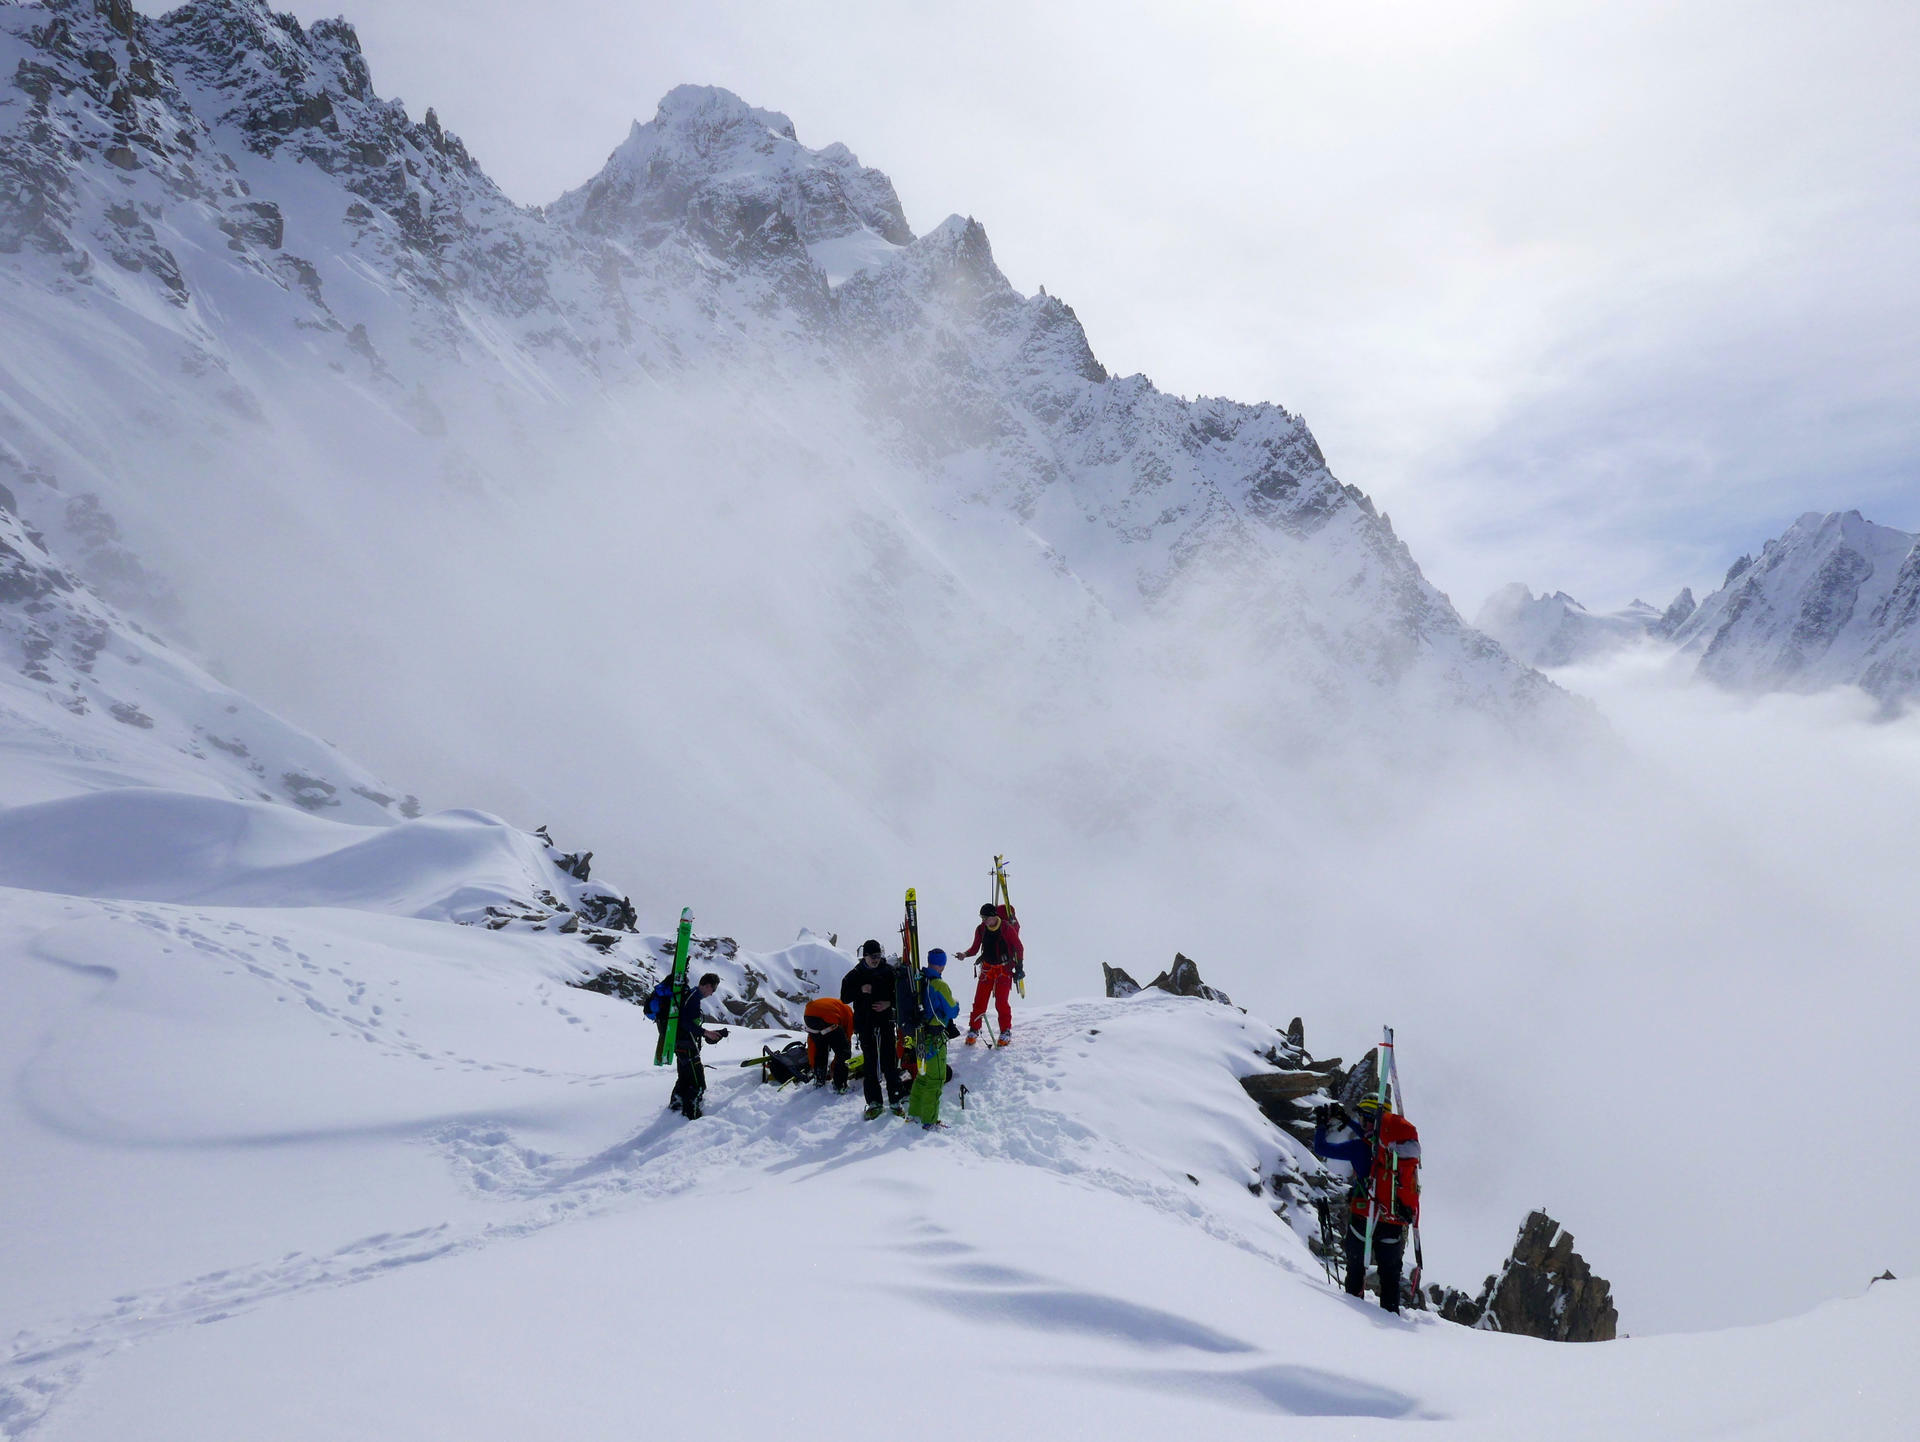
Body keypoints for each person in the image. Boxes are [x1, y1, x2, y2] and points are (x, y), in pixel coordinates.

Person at [1311, 1096, 1422, 1313]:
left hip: (1364, 1217)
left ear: (1369, 1120)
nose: (1360, 1123)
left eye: (1362, 1119)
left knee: (1355, 1271)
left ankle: (1354, 1318)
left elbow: (1321, 1147)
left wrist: (1322, 1124)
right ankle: (1392, 1320)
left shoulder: (1358, 1149)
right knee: (1390, 1278)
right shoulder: (1396, 1150)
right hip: (1393, 1219)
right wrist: (1349, 1120)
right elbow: (1372, 1136)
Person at [647, 971, 728, 1120]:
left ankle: (674, 1110)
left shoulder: (689, 995)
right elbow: (685, 1023)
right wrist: (705, 1033)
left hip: (680, 1045)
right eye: (713, 989)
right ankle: (692, 1116)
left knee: (684, 1080)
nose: (712, 994)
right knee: (698, 1084)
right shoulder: (693, 998)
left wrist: (707, 1033)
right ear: (708, 986)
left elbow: (686, 1022)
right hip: (688, 1048)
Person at [840, 939, 906, 1118]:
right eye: (873, 957)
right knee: (870, 1063)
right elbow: (844, 997)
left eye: (878, 956)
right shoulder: (855, 974)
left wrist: (889, 1004)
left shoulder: (888, 972)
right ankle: (874, 1102)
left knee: (889, 1062)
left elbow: (899, 996)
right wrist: (861, 990)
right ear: (865, 956)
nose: (876, 960)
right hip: (865, 1024)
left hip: (885, 1022)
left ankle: (895, 1100)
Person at [906, 949, 960, 1128]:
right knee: (936, 1080)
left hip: (920, 1037)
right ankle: (929, 1121)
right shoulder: (939, 985)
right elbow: (952, 1010)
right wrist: (957, 1003)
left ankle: (913, 1114)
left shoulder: (919, 979)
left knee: (922, 1076)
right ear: (942, 964)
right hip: (935, 1037)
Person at [957, 902, 1023, 1046]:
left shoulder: (1006, 928)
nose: (984, 920)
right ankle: (974, 1029)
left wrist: (1019, 967)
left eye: (986, 918)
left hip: (1004, 970)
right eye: (982, 918)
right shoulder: (981, 929)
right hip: (987, 969)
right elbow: (975, 949)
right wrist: (965, 954)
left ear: (994, 916)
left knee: (1001, 1002)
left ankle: (1005, 1031)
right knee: (980, 1000)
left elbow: (1018, 947)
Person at [803, 994, 855, 1092]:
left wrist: (813, 1065)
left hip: (809, 1016)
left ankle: (819, 1079)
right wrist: (834, 1067)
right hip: (828, 1018)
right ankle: (840, 1085)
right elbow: (846, 1042)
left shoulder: (838, 1005)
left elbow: (812, 1045)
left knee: (820, 1048)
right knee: (844, 1052)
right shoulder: (849, 1014)